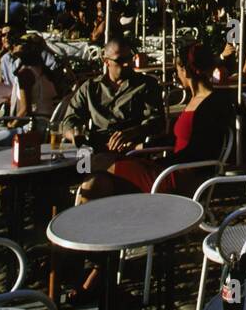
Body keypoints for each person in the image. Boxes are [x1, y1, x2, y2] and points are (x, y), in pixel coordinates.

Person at [92, 41, 233, 196]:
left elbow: (198, 152)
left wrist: (154, 163)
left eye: (177, 69)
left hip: (180, 176)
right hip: (172, 170)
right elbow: (174, 140)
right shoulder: (196, 100)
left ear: (185, 71)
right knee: (99, 182)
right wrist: (138, 147)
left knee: (101, 162)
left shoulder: (211, 105)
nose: (176, 74)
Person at [61, 38, 165, 156]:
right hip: (93, 148)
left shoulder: (145, 85)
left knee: (87, 171)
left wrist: (130, 133)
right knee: (45, 156)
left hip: (129, 151)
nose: (126, 64)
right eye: (120, 60)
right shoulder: (90, 88)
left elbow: (157, 122)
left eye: (129, 58)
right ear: (106, 61)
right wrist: (75, 135)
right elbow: (69, 121)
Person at [0, 38, 62, 158]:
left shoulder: (25, 74)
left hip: (32, 128)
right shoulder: (44, 71)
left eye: (18, 43)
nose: (13, 45)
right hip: (46, 125)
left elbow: (25, 110)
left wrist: (10, 126)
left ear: (25, 50)